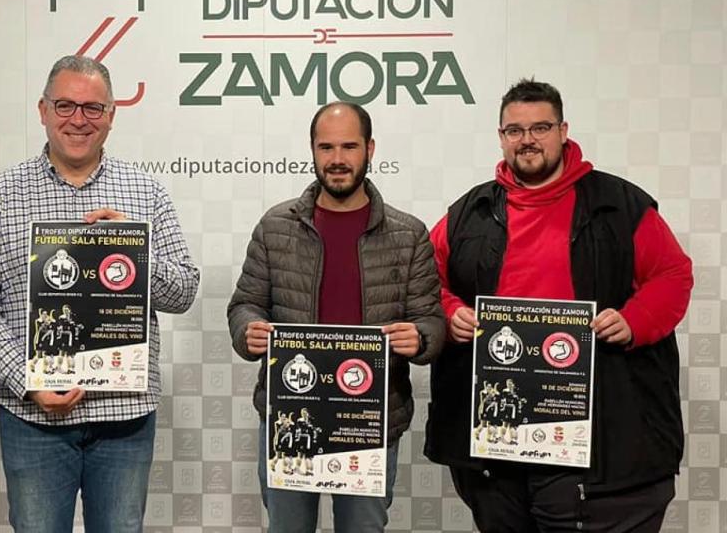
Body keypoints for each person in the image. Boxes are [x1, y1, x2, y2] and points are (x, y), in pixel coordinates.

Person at [425, 79, 693, 532]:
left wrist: (634, 320)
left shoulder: (619, 205)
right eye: (514, 130)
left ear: (564, 131)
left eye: (540, 127)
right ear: (501, 136)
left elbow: (673, 275)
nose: (527, 139)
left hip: (598, 435)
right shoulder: (469, 212)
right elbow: (425, 279)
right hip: (498, 443)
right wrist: (450, 312)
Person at [0, 54, 199, 533]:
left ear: (111, 116)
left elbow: (183, 291)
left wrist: (136, 251)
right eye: (65, 105)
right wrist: (28, 379)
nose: (78, 120)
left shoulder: (147, 193)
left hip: (124, 418)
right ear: (42, 110)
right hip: (32, 418)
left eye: (93, 108)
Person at [227, 101, 444, 532]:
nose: (338, 159)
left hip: (370, 419)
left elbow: (431, 320)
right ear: (312, 150)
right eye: (326, 147)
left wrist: (419, 338)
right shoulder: (275, 226)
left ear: (370, 149)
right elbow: (244, 303)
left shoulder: (409, 234)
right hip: (292, 413)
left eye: (349, 146)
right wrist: (247, 330)